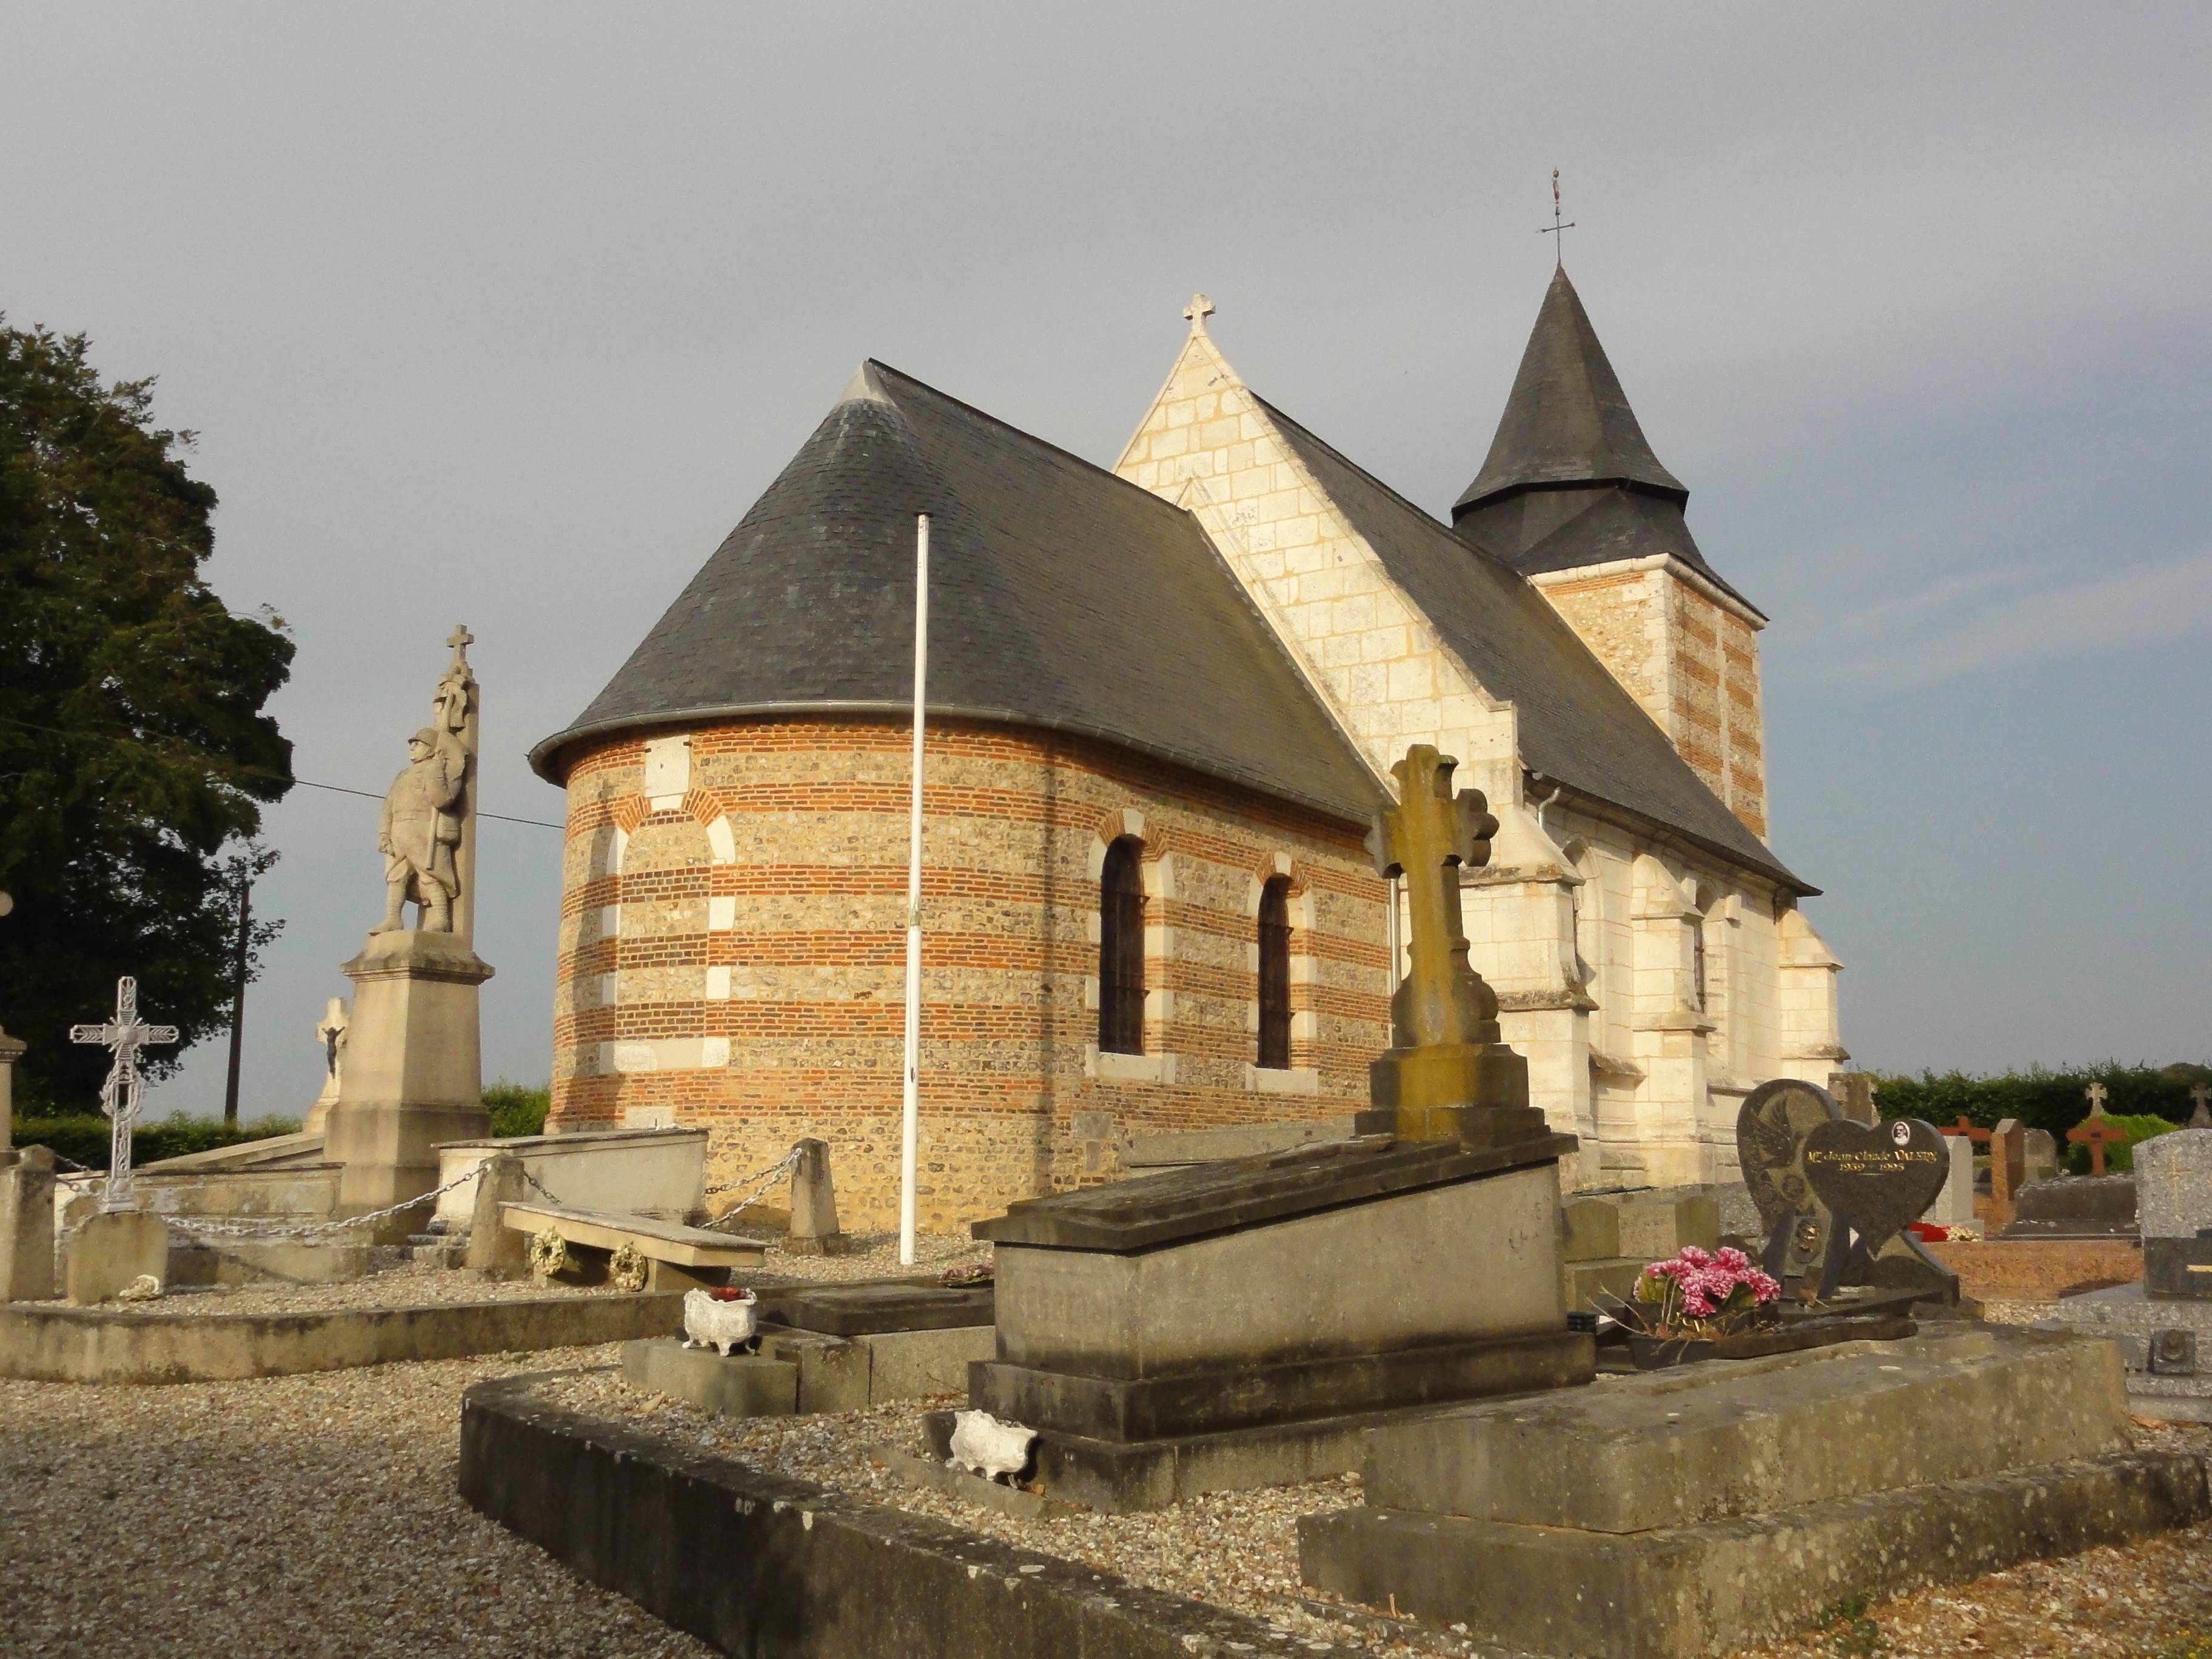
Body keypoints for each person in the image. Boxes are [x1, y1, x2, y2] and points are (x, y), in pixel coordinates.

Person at [374, 727, 466, 932]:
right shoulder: (403, 774)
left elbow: (442, 800)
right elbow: (388, 805)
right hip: (399, 829)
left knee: (429, 873)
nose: (413, 747)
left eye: (419, 744)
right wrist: (384, 833)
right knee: (396, 876)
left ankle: (441, 918)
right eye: (412, 743)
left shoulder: (434, 769)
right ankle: (393, 918)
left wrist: (438, 775)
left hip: (422, 829)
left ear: (431, 750)